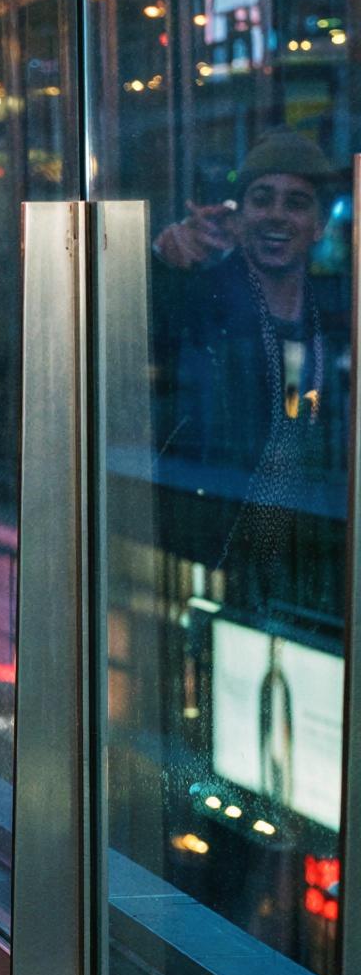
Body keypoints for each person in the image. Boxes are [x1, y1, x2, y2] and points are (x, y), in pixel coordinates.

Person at [148, 131, 350, 614]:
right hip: (217, 544)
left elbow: (314, 408)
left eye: (296, 203)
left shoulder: (337, 307)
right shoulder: (203, 297)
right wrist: (164, 258)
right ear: (237, 218)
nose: (277, 215)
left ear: (319, 225)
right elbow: (145, 322)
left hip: (316, 546)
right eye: (262, 199)